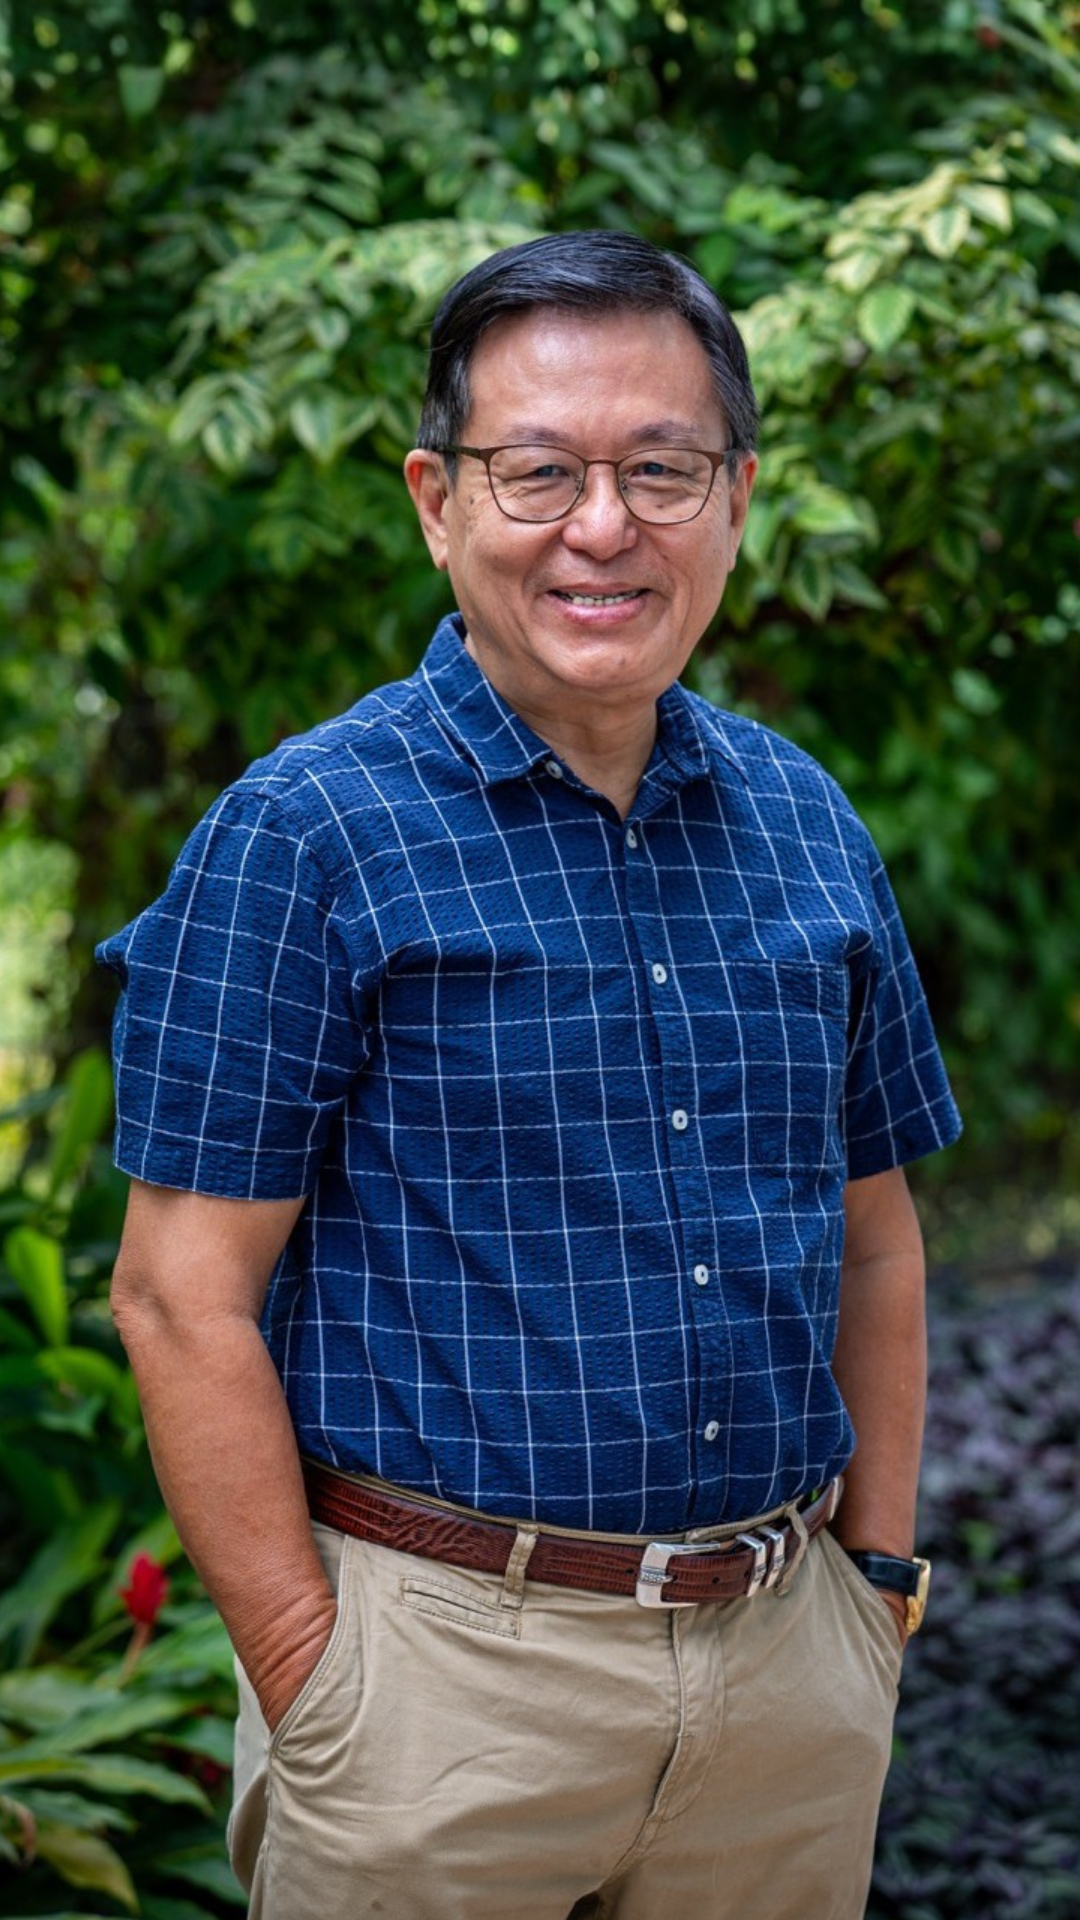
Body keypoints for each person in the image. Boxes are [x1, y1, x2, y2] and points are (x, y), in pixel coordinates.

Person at [99, 229, 961, 1920]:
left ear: (736, 498)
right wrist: (317, 1680)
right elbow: (177, 1297)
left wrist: (872, 1590)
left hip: (786, 1680)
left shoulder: (807, 822)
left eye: (662, 469)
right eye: (539, 471)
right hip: (436, 1699)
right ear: (438, 501)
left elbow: (878, 1239)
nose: (603, 526)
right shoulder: (307, 834)